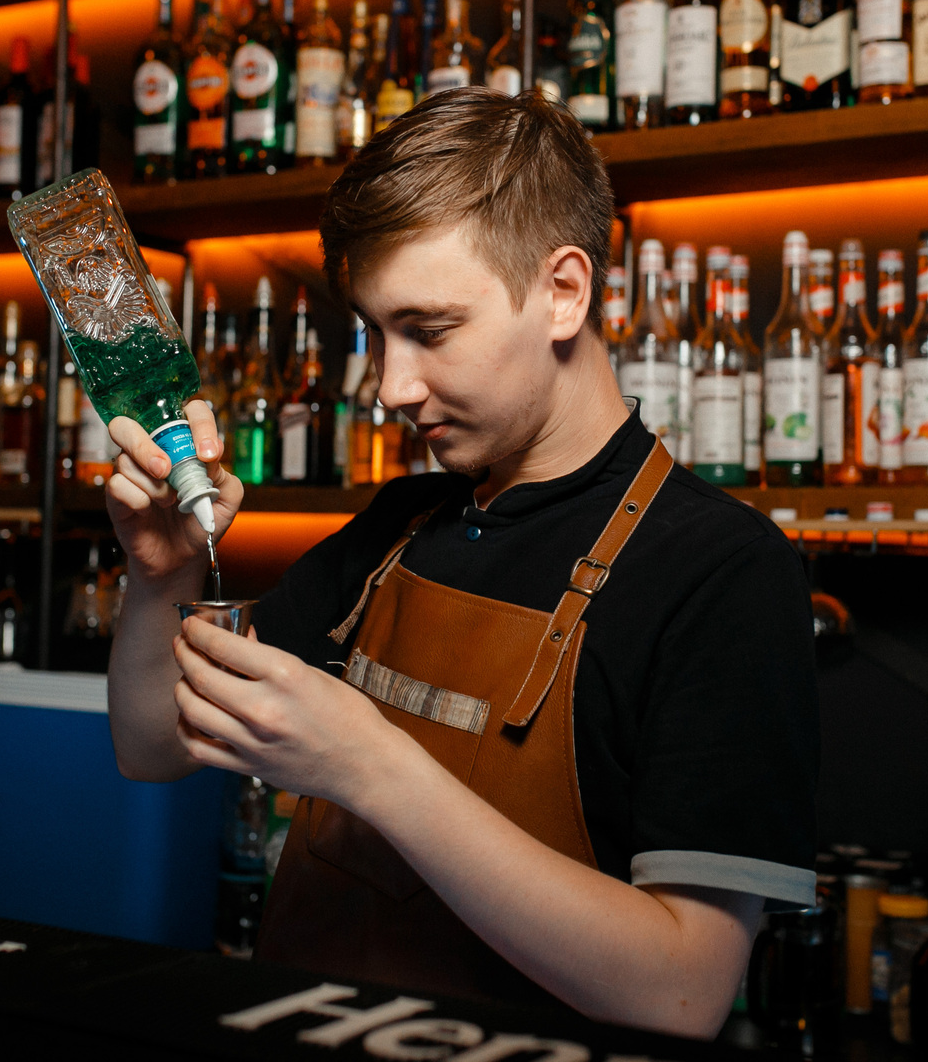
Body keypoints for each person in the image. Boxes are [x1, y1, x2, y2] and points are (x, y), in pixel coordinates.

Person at [104, 87, 818, 1038]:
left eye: (429, 331)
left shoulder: (721, 571)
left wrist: (369, 767)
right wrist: (163, 578)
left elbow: (683, 993)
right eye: (375, 335)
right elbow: (152, 746)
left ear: (564, 292)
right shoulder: (399, 527)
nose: (390, 387)